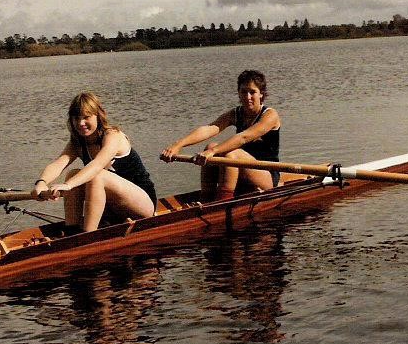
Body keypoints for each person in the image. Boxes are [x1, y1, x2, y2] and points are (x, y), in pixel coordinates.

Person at [32, 92, 157, 233]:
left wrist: (67, 185)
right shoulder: (77, 143)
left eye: (86, 117)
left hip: (143, 204)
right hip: (112, 208)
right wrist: (41, 183)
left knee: (96, 176)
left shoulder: (113, 136)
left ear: (98, 115)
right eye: (76, 118)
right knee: (73, 174)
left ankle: (88, 235)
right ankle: (71, 231)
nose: (81, 123)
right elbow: (59, 163)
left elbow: (97, 165)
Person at [160, 70, 281, 201]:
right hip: (241, 171)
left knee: (230, 154)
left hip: (267, 175)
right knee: (210, 146)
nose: (248, 97)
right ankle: (206, 199)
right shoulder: (236, 113)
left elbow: (243, 137)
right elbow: (210, 128)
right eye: (243, 92)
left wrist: (214, 151)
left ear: (261, 94)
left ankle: (222, 202)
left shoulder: (270, 115)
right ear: (238, 93)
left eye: (252, 92)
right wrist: (178, 145)